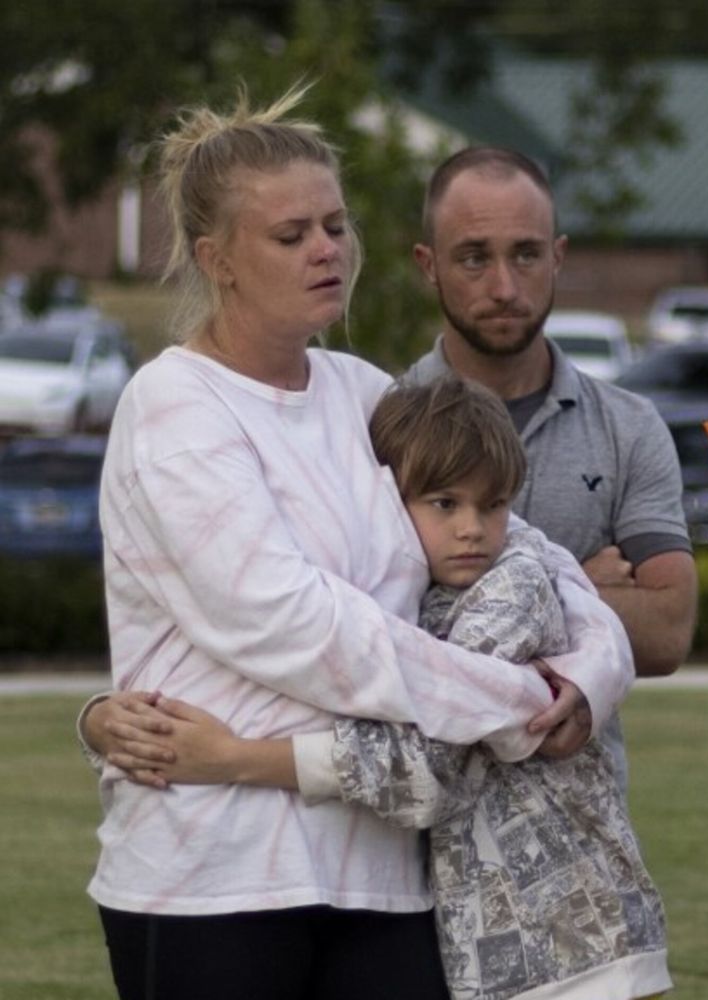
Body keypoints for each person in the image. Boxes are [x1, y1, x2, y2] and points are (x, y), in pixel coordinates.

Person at [85, 85, 630, 1000]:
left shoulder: (365, 391)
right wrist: (507, 700)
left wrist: (587, 677)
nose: (328, 250)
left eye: (336, 226)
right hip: (213, 872)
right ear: (216, 259)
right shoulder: (172, 406)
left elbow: (525, 550)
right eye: (291, 235)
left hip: (384, 874)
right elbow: (290, 622)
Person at [119, 377, 672, 1000]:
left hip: (574, 944)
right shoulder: (427, 595)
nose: (472, 528)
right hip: (521, 945)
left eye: (491, 505)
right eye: (444, 503)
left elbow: (431, 768)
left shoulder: (508, 592)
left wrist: (234, 760)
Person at [404, 146, 697, 788]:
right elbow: (372, 626)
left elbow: (670, 632)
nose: (504, 287)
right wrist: (579, 587)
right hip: (412, 832)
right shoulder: (383, 420)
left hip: (579, 826)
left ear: (558, 256)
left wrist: (461, 594)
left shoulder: (627, 426)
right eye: (475, 257)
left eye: (527, 255)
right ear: (429, 265)